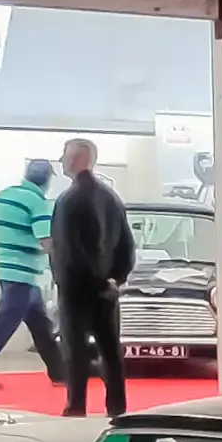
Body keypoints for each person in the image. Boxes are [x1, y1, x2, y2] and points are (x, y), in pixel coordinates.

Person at [48, 138, 132, 417]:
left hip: (76, 290)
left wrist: (72, 280)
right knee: (110, 351)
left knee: (76, 352)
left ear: (77, 160)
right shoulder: (112, 198)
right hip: (107, 291)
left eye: (65, 155)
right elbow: (127, 244)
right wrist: (114, 279)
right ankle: (117, 409)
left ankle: (76, 408)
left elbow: (67, 250)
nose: (61, 160)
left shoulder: (68, 200)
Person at [0, 157, 65, 390]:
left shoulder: (4, 195)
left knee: (40, 325)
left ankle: (59, 372)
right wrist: (63, 262)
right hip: (24, 272)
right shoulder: (38, 203)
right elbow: (45, 240)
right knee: (4, 322)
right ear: (47, 180)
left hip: (8, 269)